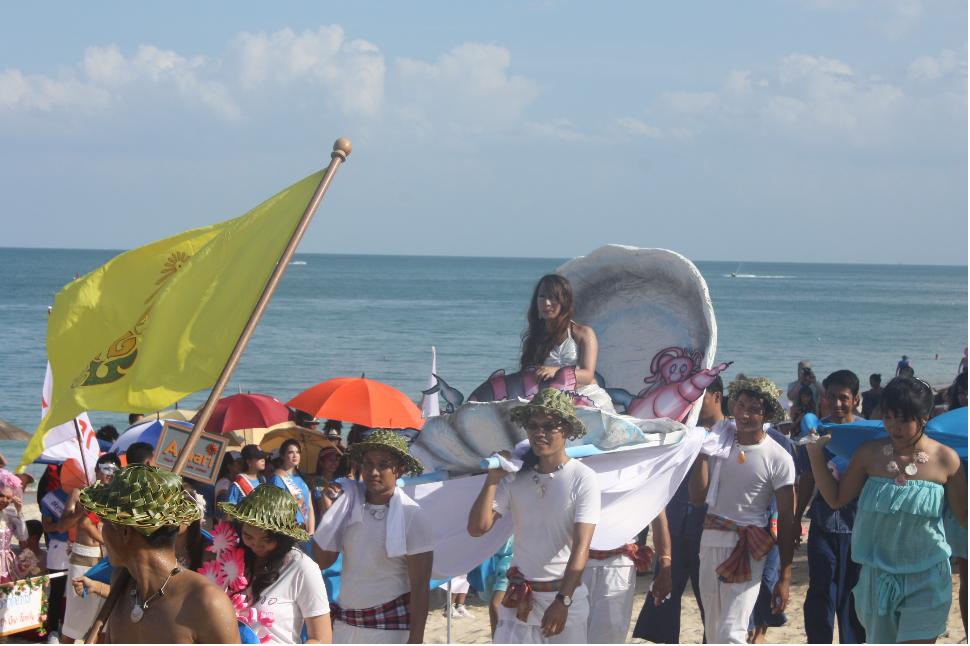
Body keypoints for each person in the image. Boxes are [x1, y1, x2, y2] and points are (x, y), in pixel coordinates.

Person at [805, 376, 967, 643]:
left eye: (903, 419)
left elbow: (964, 517)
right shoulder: (869, 454)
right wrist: (814, 456)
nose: (894, 426)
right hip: (876, 577)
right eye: (889, 417)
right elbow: (836, 499)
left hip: (927, 576)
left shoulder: (945, 459)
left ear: (924, 417)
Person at [468, 388, 600, 643]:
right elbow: (477, 528)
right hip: (519, 598)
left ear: (567, 432)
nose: (539, 433)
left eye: (549, 426)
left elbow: (582, 546)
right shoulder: (515, 478)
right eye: (533, 425)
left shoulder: (582, 478)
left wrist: (563, 600)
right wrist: (493, 480)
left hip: (562, 598)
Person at [78, 465, 239, 643]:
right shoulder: (122, 584)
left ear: (124, 531)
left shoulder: (206, 603)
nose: (102, 532)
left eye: (104, 523)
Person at [689, 377, 795, 644]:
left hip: (749, 547)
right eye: (741, 405)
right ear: (732, 405)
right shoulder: (718, 442)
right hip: (712, 538)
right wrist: (701, 453)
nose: (745, 414)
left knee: (732, 630)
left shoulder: (778, 458)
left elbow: (788, 520)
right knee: (712, 628)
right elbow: (698, 498)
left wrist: (785, 575)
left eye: (755, 409)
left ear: (768, 414)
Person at [314, 430, 433, 643]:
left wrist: (416, 640)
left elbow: (420, 586)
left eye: (384, 464)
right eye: (368, 463)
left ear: (400, 470)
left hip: (389, 629)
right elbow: (323, 561)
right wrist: (329, 510)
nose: (374, 471)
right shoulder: (348, 506)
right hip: (345, 625)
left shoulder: (412, 515)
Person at [633, 376, 725, 643]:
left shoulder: (731, 434)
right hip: (675, 527)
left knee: (714, 609)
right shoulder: (680, 432)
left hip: (710, 532)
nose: (691, 403)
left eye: (699, 397)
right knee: (662, 605)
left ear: (717, 396)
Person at [794, 369, 866, 644]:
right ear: (823, 398)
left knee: (854, 593)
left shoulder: (868, 435)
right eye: (831, 397)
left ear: (856, 399)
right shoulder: (815, 435)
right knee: (822, 590)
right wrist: (795, 519)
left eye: (844, 398)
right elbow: (807, 481)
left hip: (859, 525)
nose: (837, 404)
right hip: (823, 523)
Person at [220, 484, 332, 643]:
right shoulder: (229, 559)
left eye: (266, 540)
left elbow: (322, 639)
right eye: (248, 536)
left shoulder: (303, 568)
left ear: (282, 537)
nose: (256, 546)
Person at [521, 274, 615, 412]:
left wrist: (556, 371)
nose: (547, 303)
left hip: (585, 396)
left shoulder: (583, 333)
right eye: (542, 296)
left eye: (553, 297)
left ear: (565, 300)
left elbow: (588, 375)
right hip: (550, 400)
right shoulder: (533, 339)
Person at [60, 453, 120, 643]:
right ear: (96, 469)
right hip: (84, 557)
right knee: (75, 620)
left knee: (103, 622)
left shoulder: (116, 499)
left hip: (107, 561)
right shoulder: (80, 493)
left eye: (114, 470)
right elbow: (64, 526)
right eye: (106, 468)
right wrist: (79, 512)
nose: (110, 474)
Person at [40, 466, 72, 638]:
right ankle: (52, 629)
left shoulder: (85, 495)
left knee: (75, 592)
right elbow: (46, 525)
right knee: (57, 592)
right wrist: (60, 527)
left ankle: (69, 628)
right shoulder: (51, 498)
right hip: (58, 549)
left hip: (79, 549)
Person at [270, 439, 315, 534]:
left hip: (305, 530)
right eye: (291, 452)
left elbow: (309, 507)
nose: (295, 455)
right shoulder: (277, 478)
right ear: (282, 455)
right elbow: (276, 508)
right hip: (287, 531)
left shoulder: (303, 477)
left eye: (298, 452)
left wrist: (311, 532)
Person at [311, 446, 347, 525]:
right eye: (330, 460)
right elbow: (322, 505)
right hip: (324, 525)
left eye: (337, 460)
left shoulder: (340, 480)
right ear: (321, 462)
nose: (334, 463)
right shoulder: (317, 481)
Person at [0, 476, 27, 583]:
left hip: (7, 563)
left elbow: (23, 536)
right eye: (2, 496)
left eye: (9, 497)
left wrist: (19, 512)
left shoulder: (10, 514)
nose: (5, 500)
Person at [213, 451, 242, 516]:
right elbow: (223, 511)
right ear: (229, 466)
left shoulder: (233, 481)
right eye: (239, 463)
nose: (242, 466)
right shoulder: (224, 483)